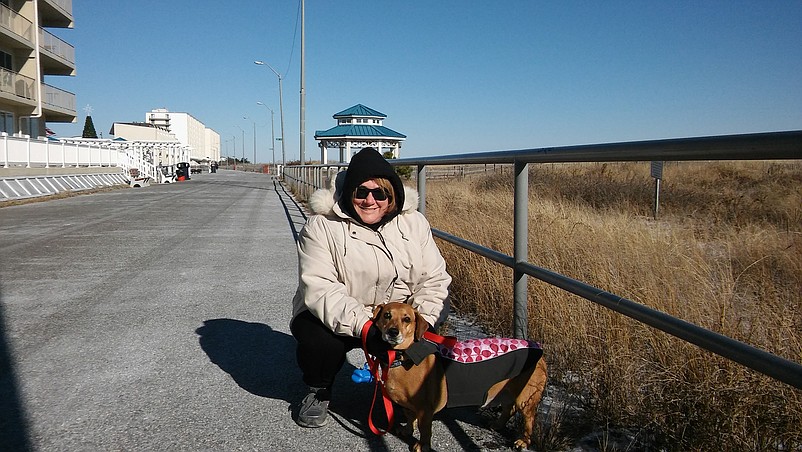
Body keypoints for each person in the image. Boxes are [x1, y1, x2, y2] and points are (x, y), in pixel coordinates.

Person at [290, 147, 452, 428]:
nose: (370, 200)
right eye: (361, 191)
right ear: (348, 192)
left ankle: (407, 393)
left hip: (396, 316)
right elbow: (321, 288)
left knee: (418, 339)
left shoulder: (413, 223)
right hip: (343, 314)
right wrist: (368, 327)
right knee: (318, 340)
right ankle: (319, 391)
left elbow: (434, 280)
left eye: (380, 194)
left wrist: (421, 323)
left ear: (393, 195)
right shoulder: (320, 226)